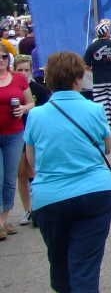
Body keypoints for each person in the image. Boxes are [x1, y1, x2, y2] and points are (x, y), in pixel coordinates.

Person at [24, 51, 111, 292]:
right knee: (85, 266)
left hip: (51, 196)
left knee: (59, 262)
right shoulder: (94, 109)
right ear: (78, 77)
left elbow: (31, 160)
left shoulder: (36, 115)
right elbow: (107, 148)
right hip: (95, 190)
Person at [13, 55, 50, 227]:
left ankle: (40, 207)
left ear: (32, 69)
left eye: (26, 69)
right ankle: (28, 209)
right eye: (19, 69)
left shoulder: (40, 89)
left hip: (35, 135)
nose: (23, 73)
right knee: (21, 173)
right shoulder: (11, 88)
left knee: (35, 171)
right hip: (16, 134)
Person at [0, 48, 34, 238]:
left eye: (4, 57)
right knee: (0, 176)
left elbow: (31, 103)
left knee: (10, 178)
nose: (1, 60)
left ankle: (3, 219)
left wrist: (22, 108)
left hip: (14, 134)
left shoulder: (18, 79)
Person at [83, 19, 111, 143]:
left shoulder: (92, 46)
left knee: (102, 110)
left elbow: (86, 65)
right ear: (107, 32)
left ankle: (104, 137)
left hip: (98, 82)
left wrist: (94, 70)